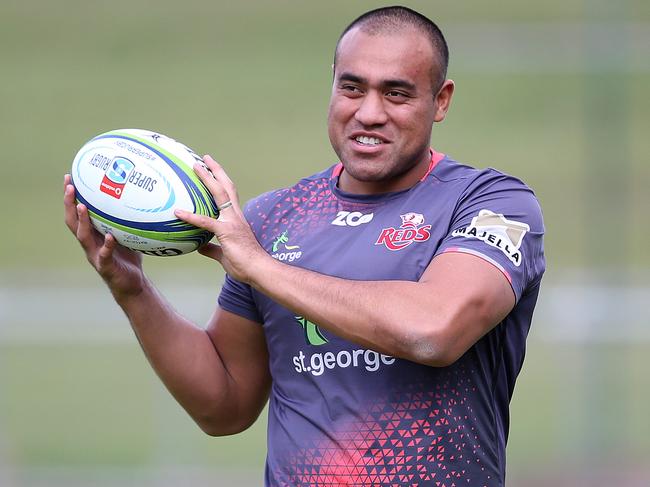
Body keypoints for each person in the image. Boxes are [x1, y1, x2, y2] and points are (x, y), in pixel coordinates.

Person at [64, 6, 544, 486]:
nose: (369, 112)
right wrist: (133, 290)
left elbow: (434, 329)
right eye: (352, 87)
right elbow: (224, 406)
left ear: (440, 101)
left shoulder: (491, 203)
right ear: (332, 85)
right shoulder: (274, 218)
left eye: (396, 93)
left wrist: (258, 265)